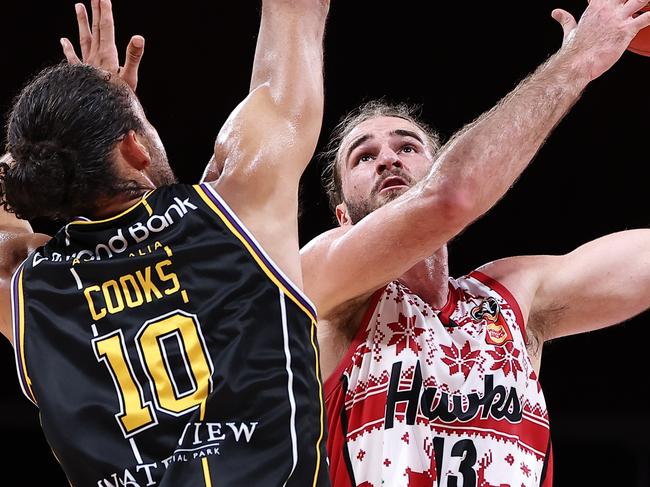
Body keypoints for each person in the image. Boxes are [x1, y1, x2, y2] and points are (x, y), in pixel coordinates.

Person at [300, 1, 650, 486]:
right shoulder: (324, 286)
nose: (387, 160)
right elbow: (451, 196)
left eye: (407, 146)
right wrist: (578, 60)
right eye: (363, 157)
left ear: (436, 165)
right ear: (342, 217)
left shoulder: (513, 294)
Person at [0, 0, 330, 485]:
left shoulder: (23, 286)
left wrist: (80, 121)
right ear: (133, 148)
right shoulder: (238, 211)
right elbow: (294, 16)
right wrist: (103, 108)